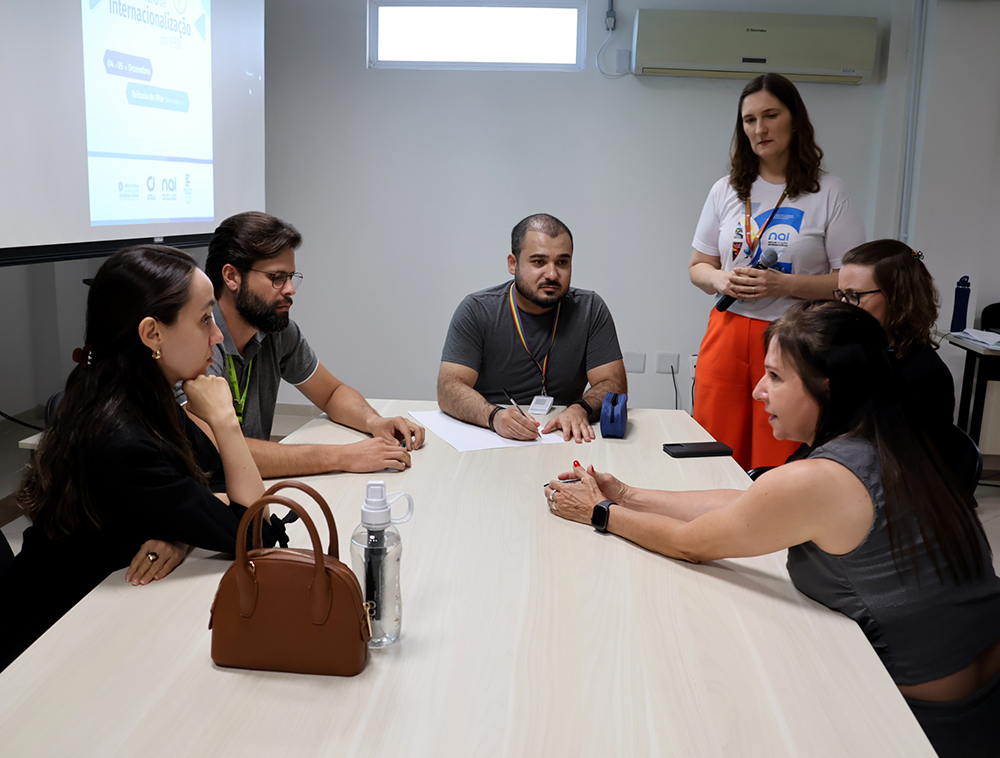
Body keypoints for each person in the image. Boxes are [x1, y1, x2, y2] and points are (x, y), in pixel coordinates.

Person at [544, 301, 1000, 757]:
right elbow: (750, 507)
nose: (759, 390)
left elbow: (689, 545)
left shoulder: (821, 478)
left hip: (925, 724)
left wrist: (599, 512)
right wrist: (625, 494)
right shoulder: (894, 438)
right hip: (983, 681)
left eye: (776, 377)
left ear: (829, 387)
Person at [1, 245, 288, 672]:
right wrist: (225, 420)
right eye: (205, 319)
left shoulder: (137, 393)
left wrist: (180, 531)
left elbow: (210, 480)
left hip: (103, 616)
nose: (217, 336)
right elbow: (253, 534)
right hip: (46, 644)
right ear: (153, 334)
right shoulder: (121, 437)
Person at [688, 73, 865, 471]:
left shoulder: (829, 192)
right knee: (714, 448)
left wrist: (784, 284)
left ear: (795, 120)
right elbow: (698, 267)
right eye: (749, 120)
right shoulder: (725, 189)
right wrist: (720, 279)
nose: (760, 129)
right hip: (728, 330)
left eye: (771, 115)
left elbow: (851, 281)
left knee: (781, 453)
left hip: (796, 336)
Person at [182, 211, 425, 478]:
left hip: (250, 486)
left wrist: (374, 421)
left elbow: (331, 393)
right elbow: (216, 451)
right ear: (231, 277)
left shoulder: (277, 331)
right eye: (277, 277)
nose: (290, 289)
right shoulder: (195, 343)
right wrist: (342, 456)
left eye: (291, 277)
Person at [438, 213, 626, 443]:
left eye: (562, 262)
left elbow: (613, 385)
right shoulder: (477, 310)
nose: (552, 274)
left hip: (562, 434)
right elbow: (449, 387)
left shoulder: (590, 308)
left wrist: (581, 408)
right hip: (488, 433)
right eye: (539, 262)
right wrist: (494, 416)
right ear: (513, 263)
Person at [836, 239, 955, 443]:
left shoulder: (926, 375)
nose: (844, 305)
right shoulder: (854, 350)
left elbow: (905, 455)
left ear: (897, 298)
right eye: (841, 294)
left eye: (854, 295)